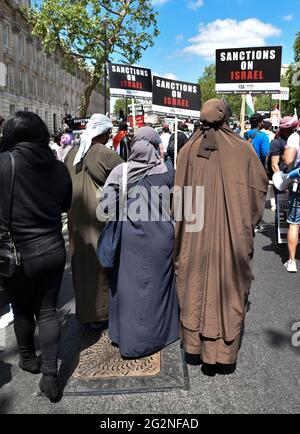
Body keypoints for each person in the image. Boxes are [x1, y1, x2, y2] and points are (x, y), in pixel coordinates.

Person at [174, 99, 268, 374]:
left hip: (194, 234)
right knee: (227, 286)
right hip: (232, 237)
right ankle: (222, 354)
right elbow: (258, 190)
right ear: (226, 117)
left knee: (195, 283)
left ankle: (195, 348)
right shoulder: (243, 149)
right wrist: (243, 221)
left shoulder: (188, 149)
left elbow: (178, 202)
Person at [0, 111, 72, 402]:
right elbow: (66, 203)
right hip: (53, 248)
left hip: (17, 253)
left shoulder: (4, 163)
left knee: (21, 309)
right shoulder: (58, 167)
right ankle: (51, 376)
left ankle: (28, 358)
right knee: (47, 310)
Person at [101, 126, 179, 358]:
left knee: (128, 290)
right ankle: (160, 336)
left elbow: (106, 207)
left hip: (129, 242)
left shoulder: (120, 172)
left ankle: (126, 337)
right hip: (161, 240)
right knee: (157, 289)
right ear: (155, 147)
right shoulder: (168, 171)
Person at [64, 114, 123, 328]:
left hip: (76, 220)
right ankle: (100, 316)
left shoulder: (71, 153)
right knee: (102, 267)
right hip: (100, 220)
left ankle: (86, 313)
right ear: (104, 133)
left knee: (81, 267)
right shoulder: (106, 154)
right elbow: (126, 183)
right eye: (109, 133)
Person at [244, 113, 270, 233]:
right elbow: (265, 154)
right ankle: (254, 223)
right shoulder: (263, 136)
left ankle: (245, 220)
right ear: (260, 123)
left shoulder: (244, 134)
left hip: (244, 169)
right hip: (257, 169)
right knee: (257, 196)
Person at [283, 126, 300, 273]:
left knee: (294, 223)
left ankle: (292, 261)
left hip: (298, 187)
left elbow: (288, 160)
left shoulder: (295, 137)